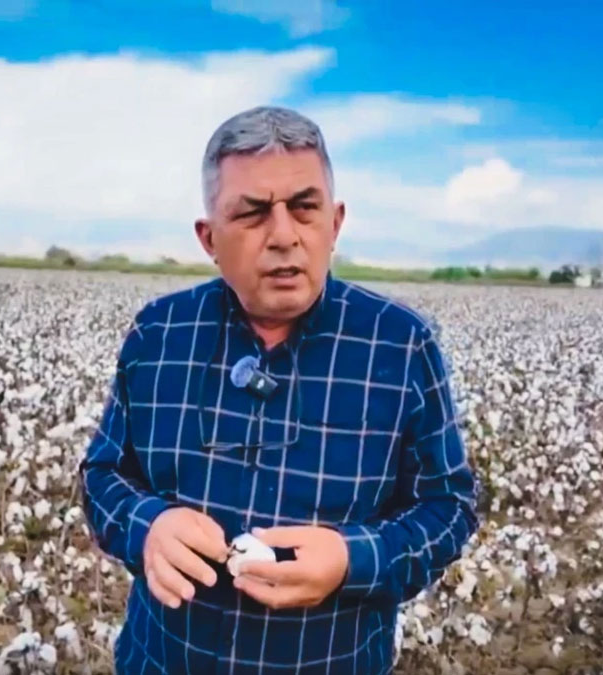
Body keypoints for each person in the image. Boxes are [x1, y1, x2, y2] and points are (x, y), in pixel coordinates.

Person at [79, 105, 480, 674]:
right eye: (253, 214)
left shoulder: (400, 344)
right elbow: (103, 475)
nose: (284, 235)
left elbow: (449, 507)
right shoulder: (159, 333)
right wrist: (148, 528)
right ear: (209, 237)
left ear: (335, 223)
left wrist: (349, 559)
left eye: (304, 208)